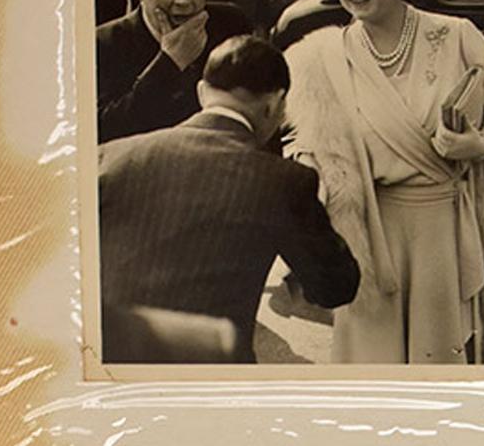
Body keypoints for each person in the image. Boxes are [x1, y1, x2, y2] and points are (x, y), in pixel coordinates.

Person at [282, 0, 484, 364]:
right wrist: (309, 164)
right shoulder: (319, 58)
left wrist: (481, 143)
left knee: (439, 382)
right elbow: (307, 141)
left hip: (442, 232)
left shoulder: (456, 35)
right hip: (369, 237)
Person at [99, 35, 360, 363]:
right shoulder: (283, 181)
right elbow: (334, 287)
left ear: (201, 92)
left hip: (112, 364)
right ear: (275, 105)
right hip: (212, 369)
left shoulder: (112, 156)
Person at [96, 0, 250, 143]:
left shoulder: (230, 24)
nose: (184, 1)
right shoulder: (104, 44)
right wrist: (168, 65)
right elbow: (105, 131)